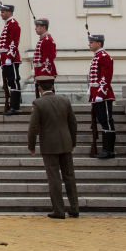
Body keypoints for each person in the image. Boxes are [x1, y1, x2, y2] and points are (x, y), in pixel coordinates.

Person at [27, 77, 79, 219]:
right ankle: (74, 208)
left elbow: (33, 127)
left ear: (40, 88)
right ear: (53, 87)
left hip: (49, 146)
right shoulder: (65, 100)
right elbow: (73, 123)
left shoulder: (38, 103)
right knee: (69, 176)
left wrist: (31, 145)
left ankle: (59, 210)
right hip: (66, 143)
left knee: (54, 177)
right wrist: (73, 141)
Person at [87, 33, 116, 158]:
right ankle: (105, 149)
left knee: (107, 122)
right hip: (95, 93)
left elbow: (106, 77)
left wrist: (100, 92)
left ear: (99, 43)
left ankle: (108, 150)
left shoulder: (104, 56)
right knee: (102, 121)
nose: (89, 44)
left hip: (102, 95)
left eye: (92, 42)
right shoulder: (97, 56)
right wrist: (91, 89)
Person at [0, 3, 22, 116]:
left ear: (9, 12)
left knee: (14, 81)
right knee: (9, 81)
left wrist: (9, 57)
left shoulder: (13, 24)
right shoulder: (8, 24)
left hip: (11, 58)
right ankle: (12, 105)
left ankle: (15, 106)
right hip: (5, 57)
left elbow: (13, 42)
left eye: (3, 12)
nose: (1, 14)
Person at [31, 18, 57, 99]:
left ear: (43, 27)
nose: (35, 28)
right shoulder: (43, 39)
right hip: (40, 72)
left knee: (47, 95)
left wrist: (41, 74)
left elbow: (47, 60)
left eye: (37, 26)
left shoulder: (47, 40)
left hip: (45, 73)